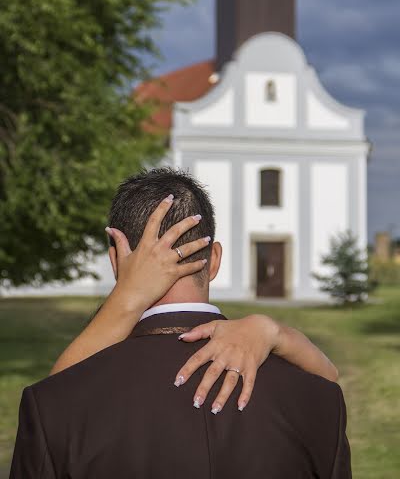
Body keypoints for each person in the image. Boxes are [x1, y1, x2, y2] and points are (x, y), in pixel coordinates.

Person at [10, 167, 351, 478]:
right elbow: (329, 377)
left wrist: (126, 296)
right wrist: (274, 331)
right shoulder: (321, 401)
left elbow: (60, 392)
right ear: (214, 259)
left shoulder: (55, 407)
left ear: (115, 260)